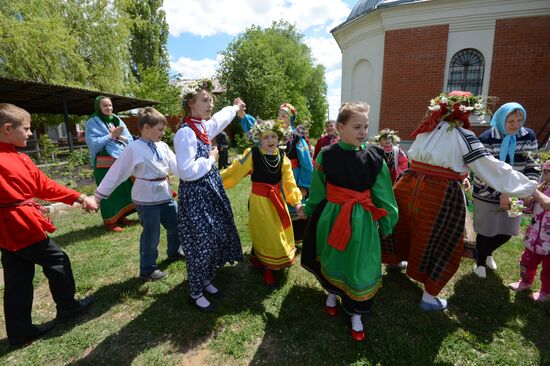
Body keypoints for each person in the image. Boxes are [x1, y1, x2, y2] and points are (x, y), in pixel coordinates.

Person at [381, 91, 550, 312]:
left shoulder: (428, 129)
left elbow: (419, 156)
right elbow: (493, 168)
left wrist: (458, 175)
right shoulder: (463, 136)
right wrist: (535, 192)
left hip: (408, 185)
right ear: (465, 112)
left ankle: (395, 262)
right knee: (442, 239)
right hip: (438, 192)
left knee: (407, 226)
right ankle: (429, 296)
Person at [0, 103, 97, 347]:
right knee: (57, 260)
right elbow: (45, 187)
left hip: (5, 231)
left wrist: (78, 196)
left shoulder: (16, 156)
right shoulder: (13, 158)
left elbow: (42, 188)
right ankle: (68, 307)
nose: (30, 133)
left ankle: (19, 331)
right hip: (20, 226)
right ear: (8, 128)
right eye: (27, 129)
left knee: (18, 278)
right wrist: (80, 197)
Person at [301, 102, 398, 342]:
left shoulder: (375, 156)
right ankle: (332, 293)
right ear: (340, 127)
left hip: (362, 221)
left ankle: (356, 313)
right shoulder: (326, 154)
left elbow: (384, 194)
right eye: (356, 126)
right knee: (333, 256)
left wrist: (386, 222)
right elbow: (318, 189)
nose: (363, 131)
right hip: (332, 217)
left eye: (365, 126)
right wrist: (309, 208)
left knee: (359, 263)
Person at [175, 79, 246, 312]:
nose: (210, 104)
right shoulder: (185, 132)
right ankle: (195, 291)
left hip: (208, 190)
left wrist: (235, 108)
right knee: (199, 242)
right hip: (195, 195)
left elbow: (221, 119)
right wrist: (210, 160)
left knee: (213, 236)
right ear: (190, 104)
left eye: (211, 100)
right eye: (204, 100)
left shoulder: (202, 126)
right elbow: (186, 171)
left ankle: (206, 279)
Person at [92, 107, 184, 281]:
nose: (163, 133)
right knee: (151, 233)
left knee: (176, 222)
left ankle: (174, 251)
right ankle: (147, 269)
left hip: (164, 194)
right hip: (146, 198)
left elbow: (177, 167)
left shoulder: (163, 146)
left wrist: (192, 176)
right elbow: (116, 173)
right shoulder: (134, 148)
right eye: (160, 129)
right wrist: (98, 196)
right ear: (146, 128)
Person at [221, 119, 302, 286]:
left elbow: (289, 181)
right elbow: (235, 170)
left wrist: (296, 200)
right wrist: (216, 179)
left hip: (276, 200)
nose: (270, 140)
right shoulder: (253, 154)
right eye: (266, 137)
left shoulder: (283, 157)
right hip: (259, 201)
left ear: (279, 138)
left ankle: (265, 259)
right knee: (266, 232)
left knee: (277, 231)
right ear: (259, 139)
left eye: (273, 136)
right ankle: (268, 266)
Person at [472, 102, 540, 278]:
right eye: (511, 120)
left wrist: (528, 188)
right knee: (486, 230)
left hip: (515, 193)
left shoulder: (528, 136)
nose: (515, 125)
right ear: (502, 119)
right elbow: (482, 172)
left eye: (519, 120)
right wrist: (502, 193)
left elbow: (533, 165)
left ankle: (486, 253)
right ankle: (479, 262)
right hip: (487, 193)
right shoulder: (487, 138)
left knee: (508, 231)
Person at [85, 96, 136, 232]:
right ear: (98, 107)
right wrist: (111, 136)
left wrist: (120, 136)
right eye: (105, 106)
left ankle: (121, 216)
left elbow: (129, 138)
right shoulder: (92, 122)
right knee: (107, 190)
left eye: (110, 105)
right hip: (103, 162)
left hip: (120, 158)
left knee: (122, 187)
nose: (109, 108)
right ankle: (110, 221)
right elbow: (93, 143)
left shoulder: (116, 119)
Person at [508, 161, 550, 302]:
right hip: (533, 238)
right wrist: (517, 203)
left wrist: (535, 193)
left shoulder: (539, 192)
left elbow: (546, 204)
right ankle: (525, 282)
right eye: (545, 172)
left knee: (548, 269)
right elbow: (528, 209)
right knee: (526, 262)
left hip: (549, 243)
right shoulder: (541, 189)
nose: (547, 175)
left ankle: (546, 291)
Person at [277, 103, 313, 246]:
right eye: (279, 115)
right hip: (278, 177)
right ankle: (281, 236)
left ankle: (298, 237)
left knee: (294, 204)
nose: (281, 118)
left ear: (291, 119)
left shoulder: (297, 137)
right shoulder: (275, 135)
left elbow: (306, 163)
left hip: (294, 176)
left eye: (284, 116)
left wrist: (305, 186)